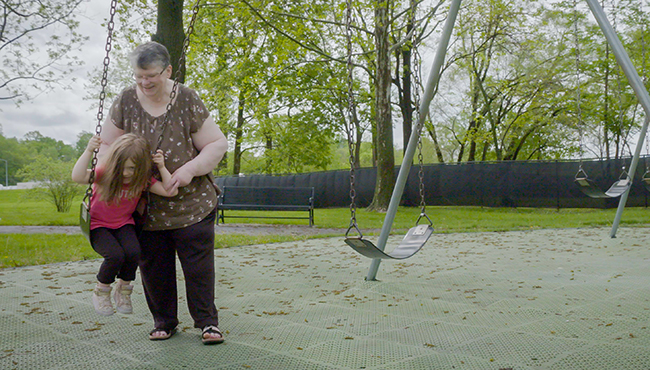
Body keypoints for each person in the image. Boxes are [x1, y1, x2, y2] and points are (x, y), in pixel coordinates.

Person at [99, 41, 228, 345]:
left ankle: (207, 323)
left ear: (167, 71)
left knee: (198, 267)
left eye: (152, 76)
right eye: (139, 76)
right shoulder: (126, 101)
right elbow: (106, 145)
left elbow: (216, 144)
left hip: (192, 203)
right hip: (145, 206)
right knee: (154, 267)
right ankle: (164, 321)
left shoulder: (186, 99)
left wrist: (188, 170)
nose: (145, 83)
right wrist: (107, 175)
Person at [72, 133, 178, 316]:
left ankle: (123, 289)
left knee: (134, 252)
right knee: (114, 255)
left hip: (123, 224)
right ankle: (101, 291)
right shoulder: (104, 174)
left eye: (132, 169)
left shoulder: (142, 180)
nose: (126, 173)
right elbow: (78, 176)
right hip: (98, 225)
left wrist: (161, 167)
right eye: (122, 168)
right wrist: (89, 150)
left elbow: (170, 191)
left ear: (142, 167)